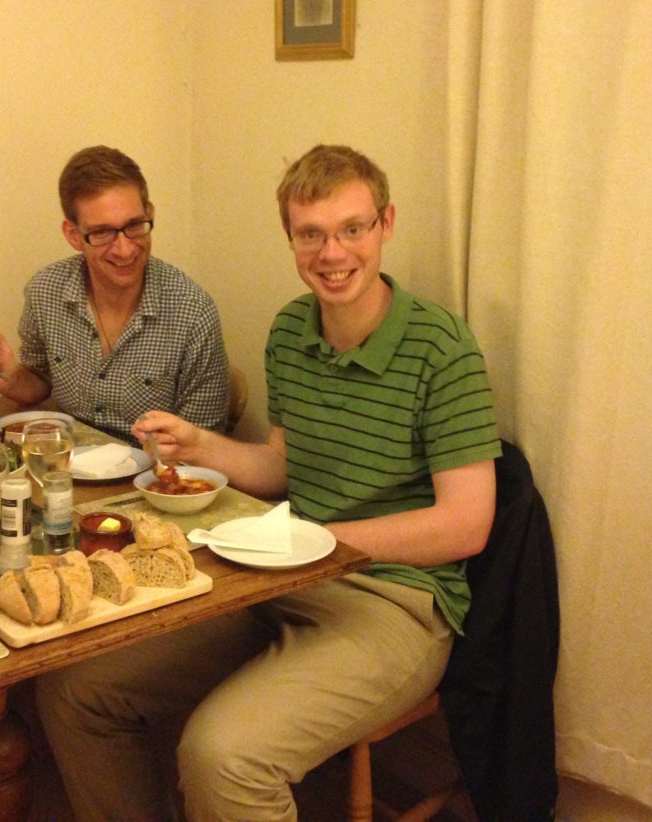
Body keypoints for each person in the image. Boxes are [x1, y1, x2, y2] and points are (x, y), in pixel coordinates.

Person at [35, 144, 503, 821]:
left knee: (222, 754)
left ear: (386, 225)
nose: (332, 252)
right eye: (310, 234)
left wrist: (316, 539)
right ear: (291, 239)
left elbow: (466, 524)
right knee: (78, 691)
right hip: (283, 582)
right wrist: (202, 445)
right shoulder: (291, 330)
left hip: (393, 607)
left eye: (351, 228)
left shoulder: (442, 349)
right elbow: (282, 466)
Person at [0, 145, 229, 444]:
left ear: (150, 214)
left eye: (134, 225)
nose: (125, 248)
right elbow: (40, 383)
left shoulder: (192, 311)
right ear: (73, 235)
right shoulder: (45, 291)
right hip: (66, 469)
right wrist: (11, 378)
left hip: (154, 477)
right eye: (103, 233)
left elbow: (201, 446)